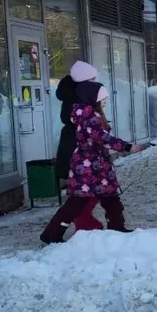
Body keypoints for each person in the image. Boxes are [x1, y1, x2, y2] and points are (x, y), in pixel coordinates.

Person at [39, 84, 145, 243]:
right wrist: (127, 147)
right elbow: (101, 137)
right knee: (77, 202)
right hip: (87, 167)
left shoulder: (91, 114)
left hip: (97, 165)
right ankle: (51, 234)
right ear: (93, 98)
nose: (105, 101)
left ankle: (117, 227)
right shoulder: (89, 117)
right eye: (103, 98)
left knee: (110, 198)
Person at [54, 61, 104, 231]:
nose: (94, 82)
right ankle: (79, 222)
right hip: (79, 149)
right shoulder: (78, 101)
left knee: (88, 190)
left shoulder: (74, 96)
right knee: (87, 190)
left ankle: (79, 222)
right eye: (92, 79)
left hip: (76, 145)